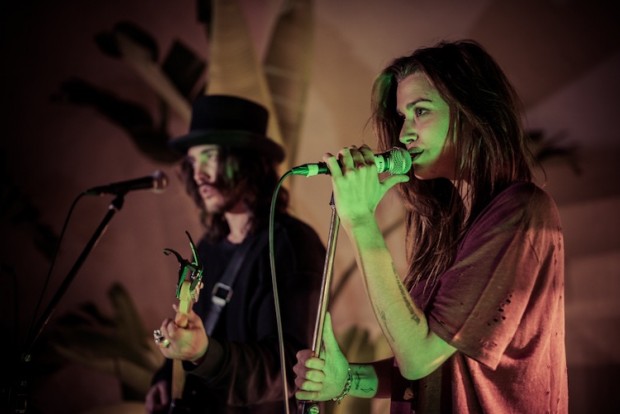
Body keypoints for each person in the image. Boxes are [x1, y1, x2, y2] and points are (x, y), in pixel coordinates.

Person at [293, 40, 568, 413]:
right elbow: (436, 370)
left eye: (420, 111)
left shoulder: (521, 212)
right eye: (402, 116)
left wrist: (359, 220)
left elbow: (418, 357)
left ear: (472, 113)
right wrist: (346, 380)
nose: (404, 134)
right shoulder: (451, 225)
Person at [146, 95, 325, 413]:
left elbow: (289, 369)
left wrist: (205, 354)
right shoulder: (208, 246)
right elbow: (199, 329)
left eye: (210, 157)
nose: (198, 173)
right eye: (193, 161)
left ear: (247, 161)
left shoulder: (292, 244)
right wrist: (166, 376)